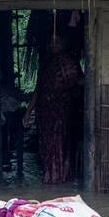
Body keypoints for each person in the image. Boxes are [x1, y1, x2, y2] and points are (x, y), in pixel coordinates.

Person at [23, 33, 83, 184]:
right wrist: (29, 112)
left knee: (60, 144)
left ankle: (60, 177)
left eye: (57, 40)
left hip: (62, 113)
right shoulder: (47, 63)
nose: (53, 44)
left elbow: (80, 83)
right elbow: (39, 89)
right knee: (46, 145)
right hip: (45, 114)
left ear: (64, 42)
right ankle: (50, 176)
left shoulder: (69, 63)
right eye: (51, 41)